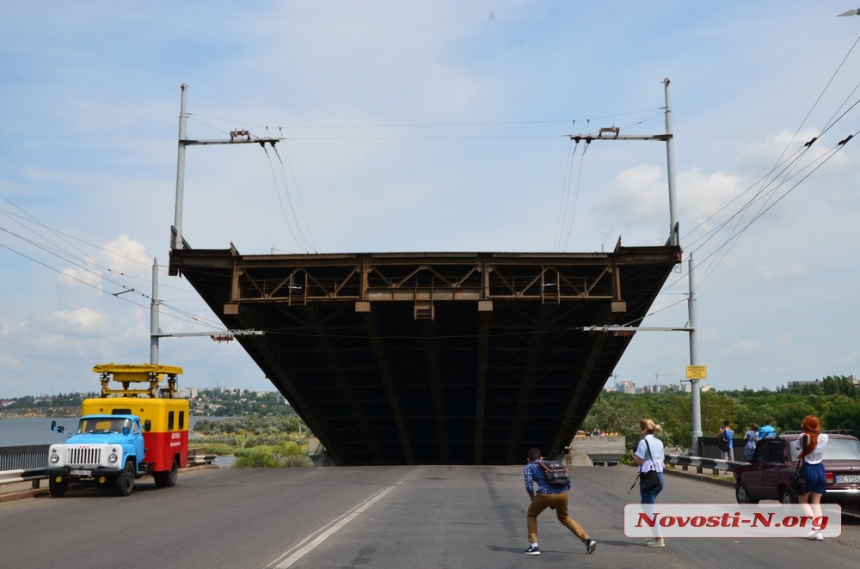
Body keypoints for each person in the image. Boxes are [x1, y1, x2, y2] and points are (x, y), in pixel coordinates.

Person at [522, 447, 597, 556]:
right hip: (563, 493)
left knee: (531, 515)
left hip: (545, 494)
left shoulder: (529, 466)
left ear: (528, 459)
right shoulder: (551, 464)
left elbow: (529, 486)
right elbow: (567, 480)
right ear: (541, 457)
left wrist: (532, 497)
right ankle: (587, 540)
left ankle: (534, 546)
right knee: (565, 518)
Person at [630, 418, 666, 548]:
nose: (638, 431)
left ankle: (659, 538)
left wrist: (632, 455)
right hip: (659, 478)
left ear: (645, 429)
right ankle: (655, 534)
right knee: (649, 507)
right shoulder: (659, 441)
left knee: (648, 508)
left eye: (640, 428)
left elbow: (639, 461)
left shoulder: (643, 442)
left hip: (649, 479)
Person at [795, 415, 828, 541]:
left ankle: (815, 526)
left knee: (803, 500)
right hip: (820, 469)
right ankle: (817, 530)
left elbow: (797, 448)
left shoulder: (804, 436)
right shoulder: (825, 437)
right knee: (816, 502)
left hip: (808, 469)